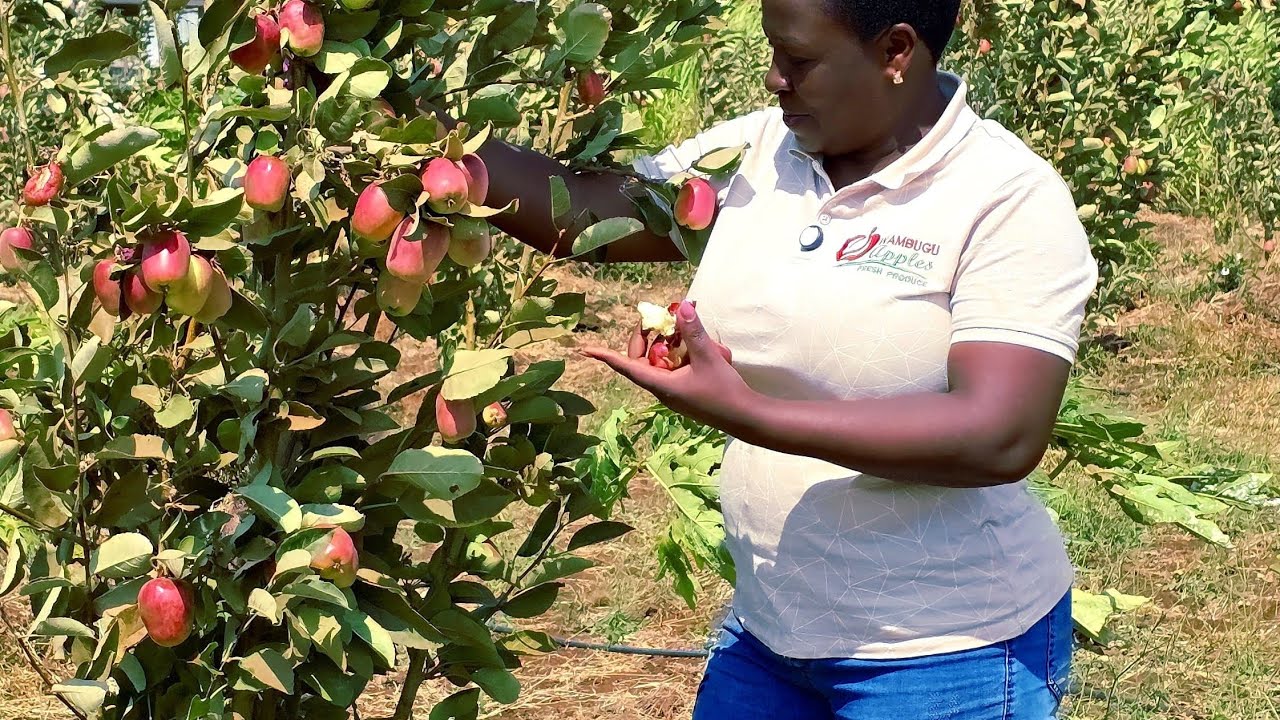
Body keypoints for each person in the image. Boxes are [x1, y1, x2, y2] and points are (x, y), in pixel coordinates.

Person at [428, 0, 1098, 717]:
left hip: (943, 653)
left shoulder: (1005, 196)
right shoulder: (759, 153)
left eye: (799, 59)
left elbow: (998, 433)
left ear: (896, 51)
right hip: (773, 630)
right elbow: (595, 210)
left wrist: (748, 412)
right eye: (772, 52)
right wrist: (418, 136)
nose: (774, 80)